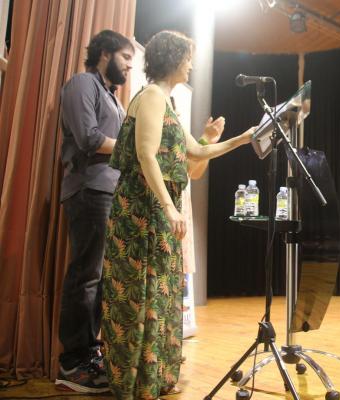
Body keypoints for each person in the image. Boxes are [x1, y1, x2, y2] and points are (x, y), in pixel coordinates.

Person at [101, 30, 256, 400]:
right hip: (141, 213)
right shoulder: (152, 96)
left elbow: (196, 153)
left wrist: (242, 139)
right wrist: (170, 207)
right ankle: (136, 382)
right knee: (139, 294)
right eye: (187, 57)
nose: (191, 64)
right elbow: (145, 154)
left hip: (156, 213)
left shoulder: (166, 103)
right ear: (172, 59)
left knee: (158, 294)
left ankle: (152, 377)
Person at [56, 30, 134, 393]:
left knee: (100, 279)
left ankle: (92, 354)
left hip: (109, 193)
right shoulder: (82, 84)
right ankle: (73, 363)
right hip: (88, 191)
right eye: (125, 57)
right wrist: (133, 148)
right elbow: (88, 138)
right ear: (104, 53)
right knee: (86, 277)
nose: (130, 66)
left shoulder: (113, 98)